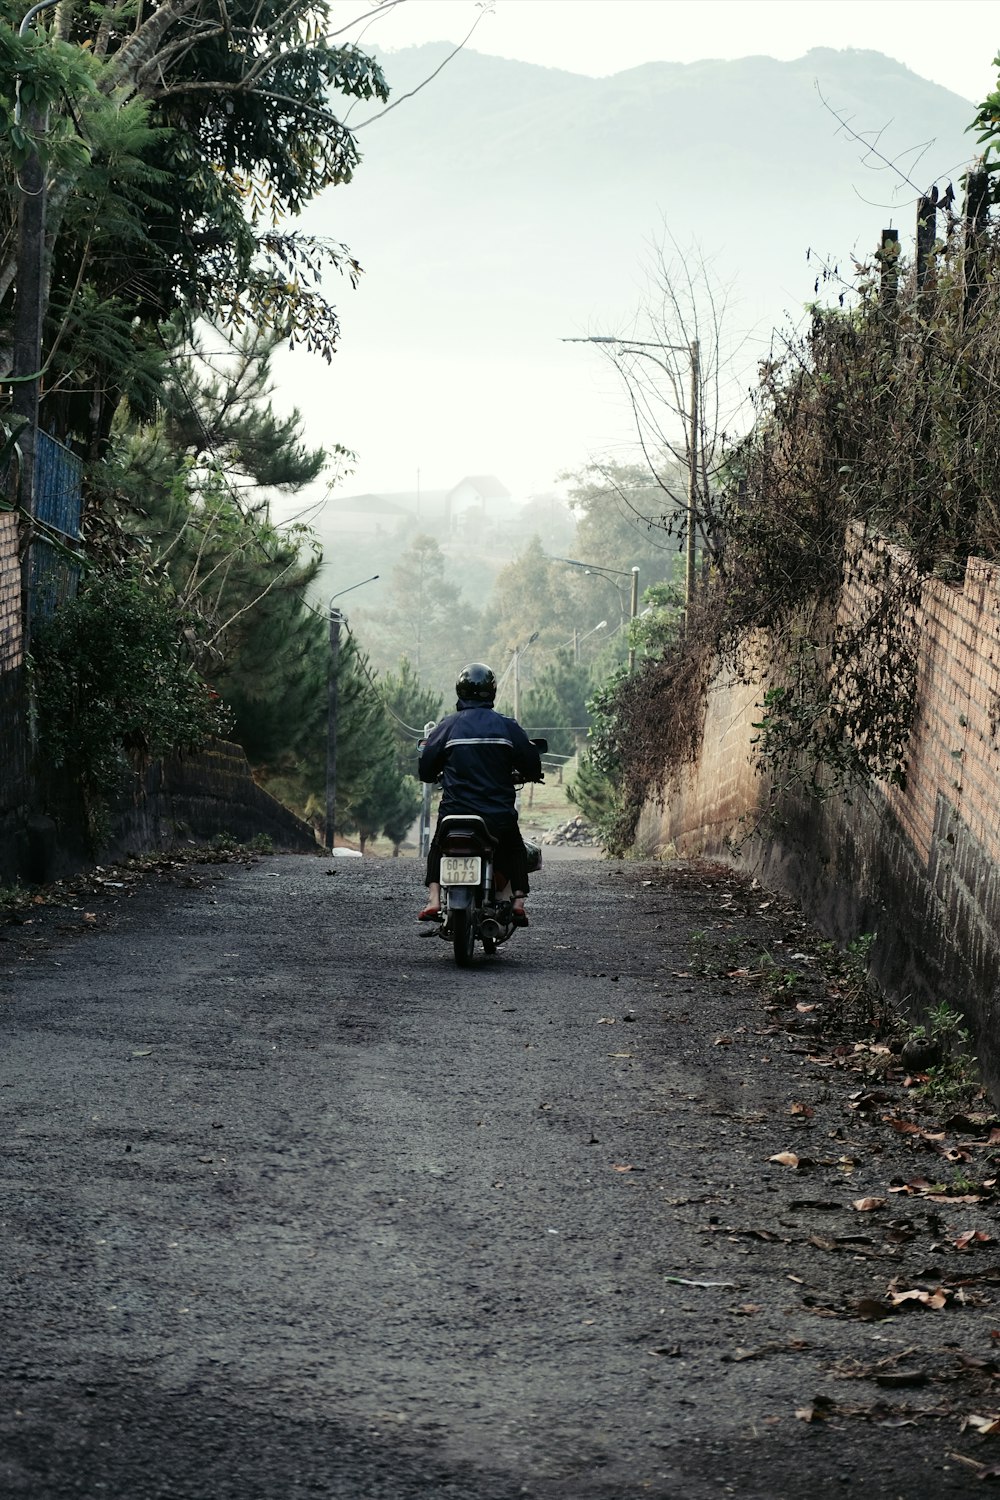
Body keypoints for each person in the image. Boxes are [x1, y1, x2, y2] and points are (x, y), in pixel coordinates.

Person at [418, 662, 541, 925]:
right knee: (514, 846)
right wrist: (529, 773)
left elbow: (426, 769)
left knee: (438, 846)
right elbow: (532, 764)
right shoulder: (507, 726)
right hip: (497, 818)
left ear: (459, 691)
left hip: (455, 814)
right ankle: (518, 899)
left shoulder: (447, 726)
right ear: (492, 692)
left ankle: (434, 899)